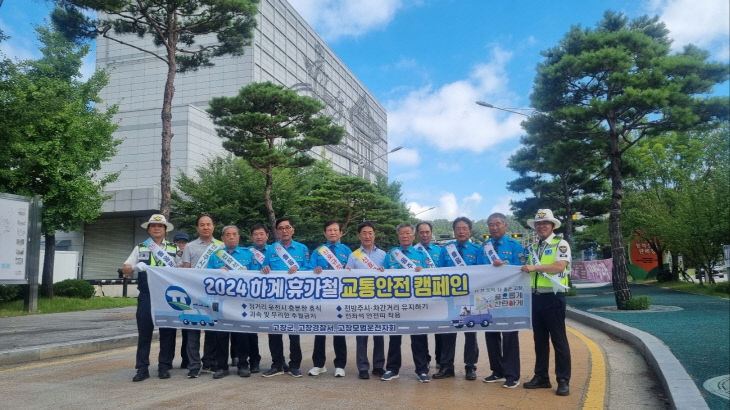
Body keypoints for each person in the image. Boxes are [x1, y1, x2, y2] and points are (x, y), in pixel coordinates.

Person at [520, 209, 571, 396]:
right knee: (539, 341)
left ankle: (563, 380)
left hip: (553, 298)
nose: (541, 227)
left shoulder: (561, 244)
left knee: (559, 340)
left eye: (545, 223)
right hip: (536, 298)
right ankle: (541, 377)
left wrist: (535, 267)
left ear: (552, 226)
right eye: (538, 224)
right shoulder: (533, 248)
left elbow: (559, 266)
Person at [121, 214, 178, 382]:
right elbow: (125, 269)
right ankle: (142, 368)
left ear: (165, 229)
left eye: (160, 226)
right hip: (147, 295)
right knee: (144, 332)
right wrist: (135, 267)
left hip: (167, 296)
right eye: (153, 226)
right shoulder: (140, 248)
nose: (156, 228)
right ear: (148, 229)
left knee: (168, 332)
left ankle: (164, 366)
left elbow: (183, 269)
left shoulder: (174, 249)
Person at [434, 217, 485, 381]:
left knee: (470, 334)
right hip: (450, 299)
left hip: (471, 298)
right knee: (448, 333)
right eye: (458, 228)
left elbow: (483, 274)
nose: (461, 231)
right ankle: (446, 366)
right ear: (454, 231)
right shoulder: (446, 249)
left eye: (464, 228)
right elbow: (439, 272)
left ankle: (470, 367)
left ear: (470, 231)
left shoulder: (478, 250)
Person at [260, 217, 310, 378]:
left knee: (294, 333)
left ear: (292, 230)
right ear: (277, 231)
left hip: (294, 298)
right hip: (275, 298)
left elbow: (309, 269)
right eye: (281, 228)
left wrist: (299, 269)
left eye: (287, 227)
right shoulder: (272, 249)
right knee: (274, 333)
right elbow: (263, 267)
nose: (284, 231)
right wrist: (265, 268)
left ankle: (295, 365)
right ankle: (277, 364)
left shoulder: (302, 249)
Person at [381, 223, 430, 383]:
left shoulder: (421, 254)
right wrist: (381, 271)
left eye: (408, 233)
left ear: (413, 236)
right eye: (402, 233)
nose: (405, 236)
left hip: (416, 302)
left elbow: (430, 276)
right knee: (395, 337)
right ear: (398, 236)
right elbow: (382, 274)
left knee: (419, 337)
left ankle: (422, 370)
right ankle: (392, 369)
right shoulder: (391, 254)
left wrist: (422, 271)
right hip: (396, 302)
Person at [481, 213, 525, 388]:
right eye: (491, 224)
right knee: (491, 335)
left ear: (505, 225)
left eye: (497, 224)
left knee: (509, 337)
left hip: (509, 300)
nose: (494, 227)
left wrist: (504, 266)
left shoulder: (515, 246)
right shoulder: (484, 247)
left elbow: (521, 269)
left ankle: (512, 374)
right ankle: (497, 371)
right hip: (487, 299)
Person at [206, 225, 255, 379]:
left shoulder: (249, 254)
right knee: (220, 336)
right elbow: (205, 277)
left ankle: (243, 364)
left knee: (242, 335)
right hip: (221, 302)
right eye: (228, 235)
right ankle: (221, 366)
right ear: (223, 238)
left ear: (239, 237)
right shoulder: (215, 256)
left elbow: (260, 274)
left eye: (234, 234)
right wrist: (218, 271)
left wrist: (249, 271)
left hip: (241, 302)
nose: (231, 237)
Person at [180, 214, 223, 378]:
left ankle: (209, 362)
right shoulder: (190, 247)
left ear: (213, 227)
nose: (206, 227)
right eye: (202, 224)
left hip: (213, 294)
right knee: (193, 330)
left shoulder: (221, 246)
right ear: (197, 228)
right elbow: (185, 269)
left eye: (208, 224)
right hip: (194, 294)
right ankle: (194, 365)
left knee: (212, 330)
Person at [308, 221, 353, 378]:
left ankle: (340, 365)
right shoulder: (318, 251)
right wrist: (315, 270)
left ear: (341, 233)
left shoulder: (347, 251)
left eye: (335, 230)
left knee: (339, 331)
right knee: (319, 332)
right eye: (329, 230)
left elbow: (353, 271)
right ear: (325, 233)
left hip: (340, 297)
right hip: (321, 296)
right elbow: (308, 269)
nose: (332, 232)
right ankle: (318, 365)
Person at [344, 221, 387, 380]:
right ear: (359, 235)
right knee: (361, 335)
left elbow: (391, 275)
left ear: (374, 235)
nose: (367, 236)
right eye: (364, 233)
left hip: (379, 301)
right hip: (360, 300)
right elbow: (347, 275)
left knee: (379, 335)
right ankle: (362, 367)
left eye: (370, 233)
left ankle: (378, 366)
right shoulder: (353, 255)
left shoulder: (383, 255)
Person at [242, 223, 271, 374]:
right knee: (250, 331)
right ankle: (253, 361)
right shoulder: (246, 252)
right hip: (251, 297)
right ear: (252, 237)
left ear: (267, 236)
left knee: (275, 330)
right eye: (256, 234)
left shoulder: (275, 251)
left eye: (262, 234)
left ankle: (278, 362)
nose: (259, 237)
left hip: (271, 296)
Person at [414, 221, 441, 370]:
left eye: (427, 232)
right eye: (421, 232)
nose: (424, 235)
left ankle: (440, 360)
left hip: (438, 297)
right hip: (420, 297)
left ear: (431, 233)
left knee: (440, 330)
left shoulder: (439, 251)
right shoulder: (412, 252)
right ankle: (424, 360)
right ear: (417, 234)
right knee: (421, 330)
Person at [172, 232, 191, 370]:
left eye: (184, 242)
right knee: (170, 330)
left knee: (187, 330)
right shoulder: (169, 255)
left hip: (186, 296)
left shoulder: (190, 255)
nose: (181, 245)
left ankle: (186, 359)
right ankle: (167, 361)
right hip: (171, 295)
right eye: (179, 242)